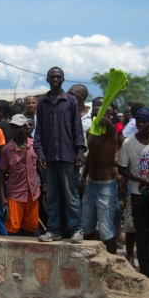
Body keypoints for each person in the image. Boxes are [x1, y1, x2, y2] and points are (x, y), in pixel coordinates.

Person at [34, 67, 86, 243]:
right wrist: (39, 151)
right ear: (47, 79)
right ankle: (53, 230)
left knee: (71, 195)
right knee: (53, 196)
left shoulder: (70, 101)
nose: (55, 79)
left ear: (63, 79)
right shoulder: (42, 103)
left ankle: (76, 229)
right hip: (49, 157)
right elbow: (38, 131)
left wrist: (80, 150)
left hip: (68, 155)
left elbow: (77, 128)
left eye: (58, 76)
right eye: (52, 77)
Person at [118, 107, 149, 278]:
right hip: (138, 193)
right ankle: (145, 270)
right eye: (138, 121)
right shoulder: (129, 143)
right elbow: (123, 169)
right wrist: (142, 180)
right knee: (142, 232)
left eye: (145, 121)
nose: (141, 125)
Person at [81, 99, 119, 253]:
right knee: (86, 225)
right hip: (91, 183)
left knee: (106, 227)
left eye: (100, 115)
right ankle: (88, 258)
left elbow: (110, 127)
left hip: (106, 185)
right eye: (94, 115)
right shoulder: (90, 132)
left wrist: (106, 119)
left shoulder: (110, 132)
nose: (97, 118)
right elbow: (90, 156)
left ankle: (113, 262)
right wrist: (84, 177)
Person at [0, 114, 40, 236]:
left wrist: (45, 184)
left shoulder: (34, 146)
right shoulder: (7, 149)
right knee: (13, 227)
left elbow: (39, 167)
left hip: (32, 193)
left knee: (31, 227)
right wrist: (2, 196)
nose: (14, 130)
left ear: (25, 128)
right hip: (15, 193)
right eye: (12, 127)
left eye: (17, 127)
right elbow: (1, 171)